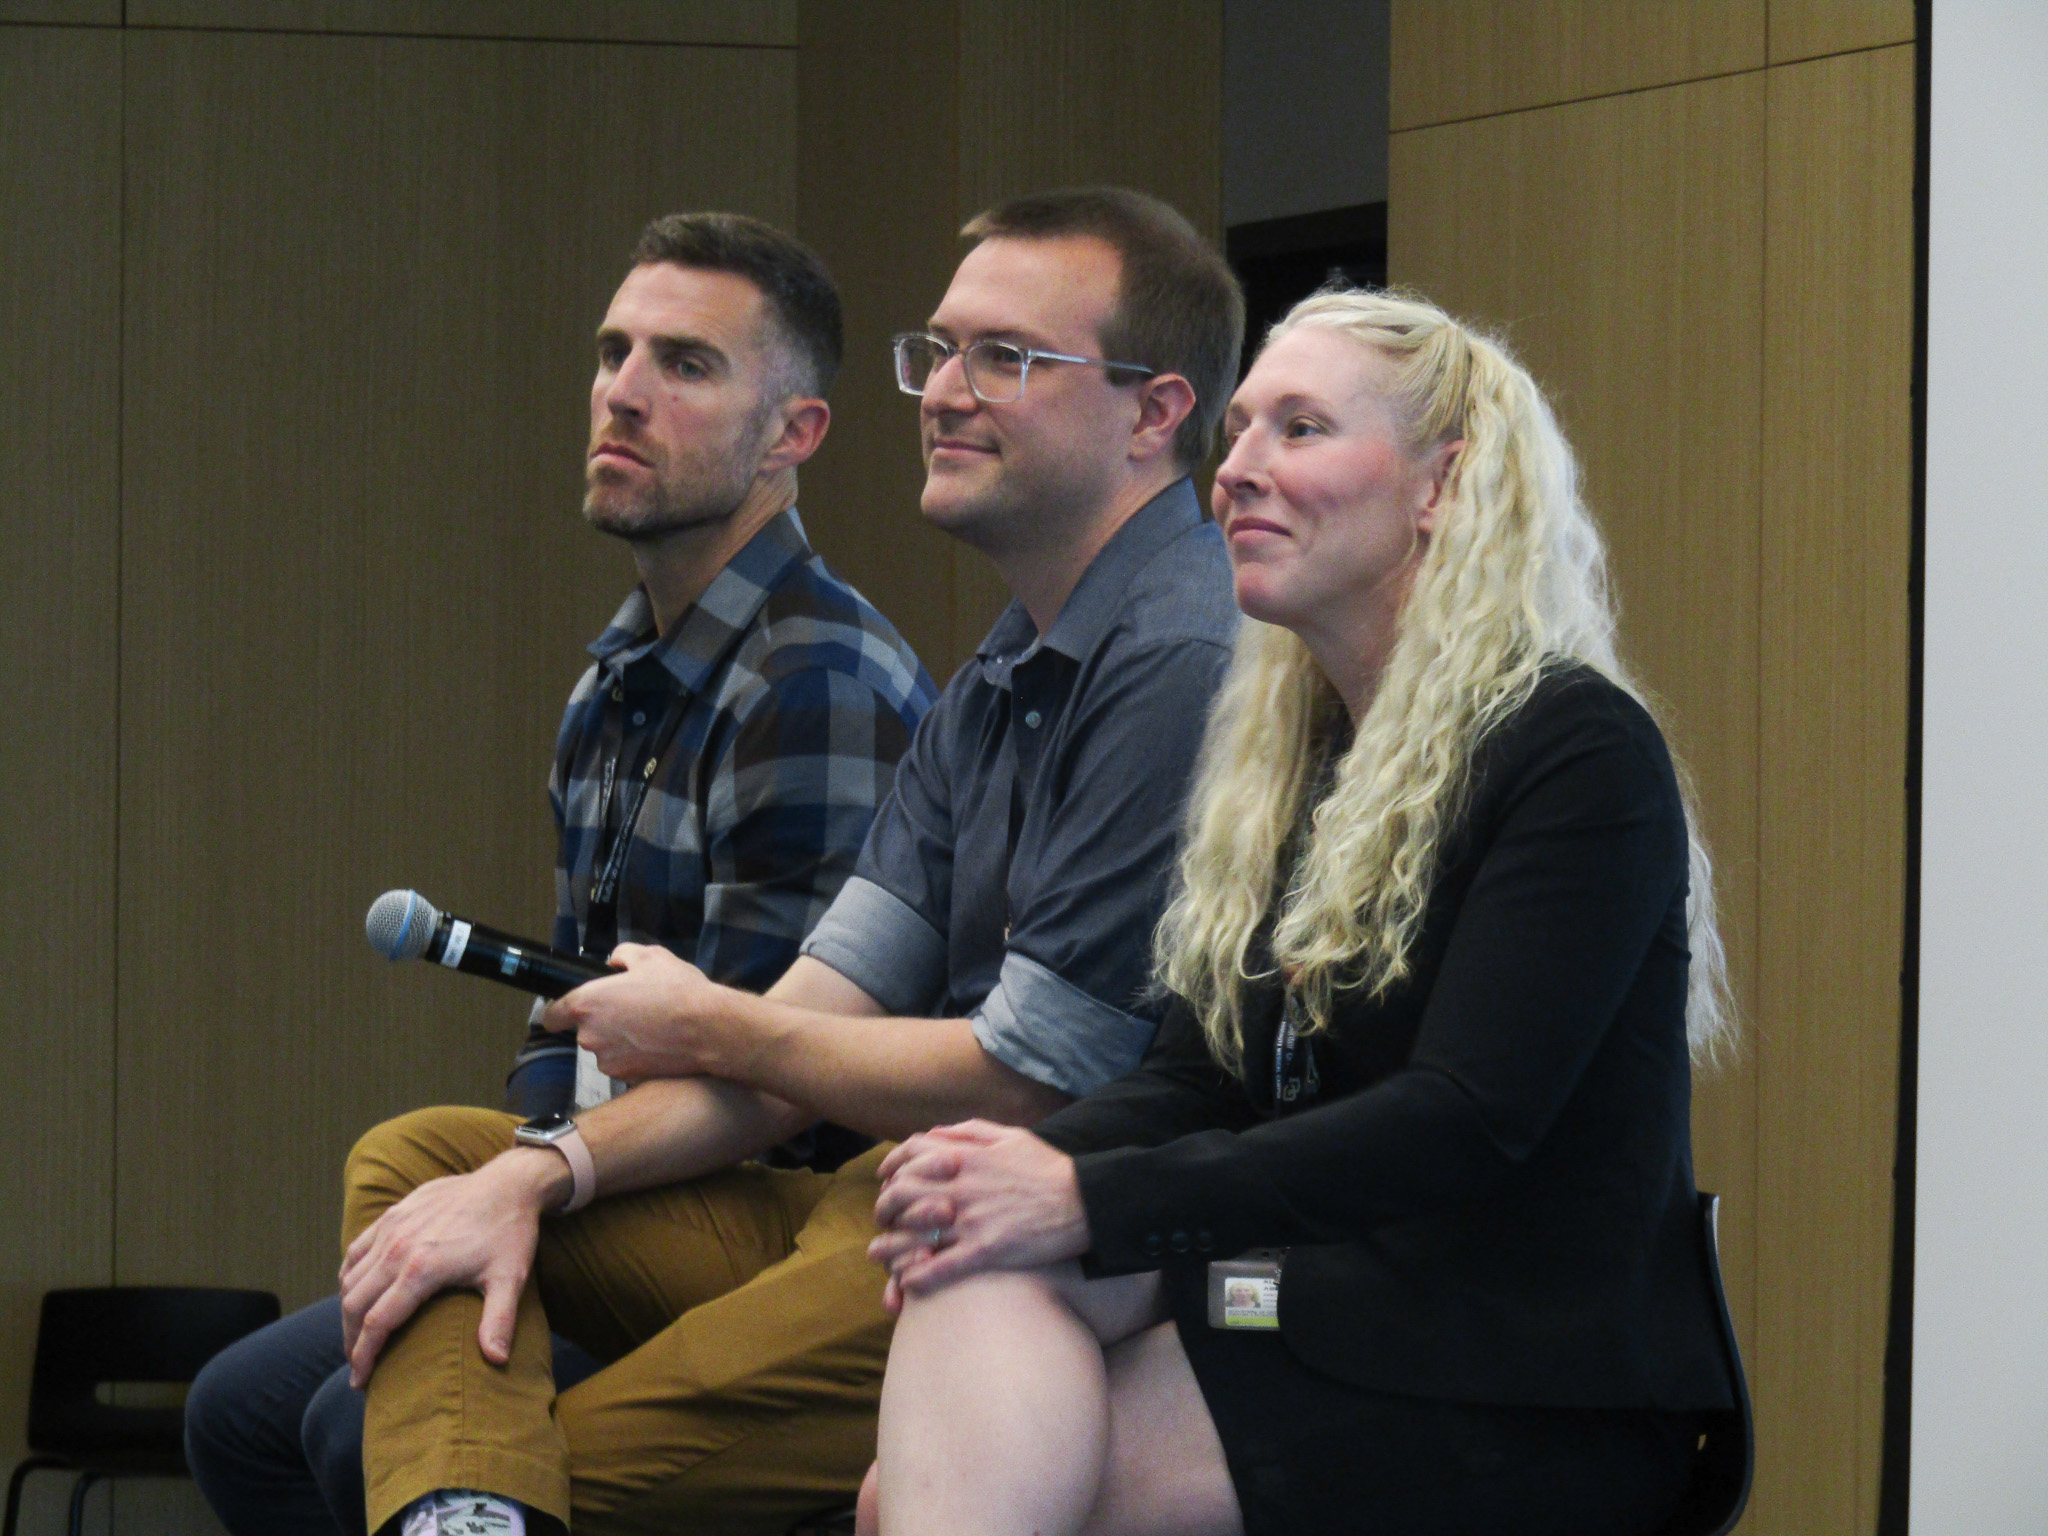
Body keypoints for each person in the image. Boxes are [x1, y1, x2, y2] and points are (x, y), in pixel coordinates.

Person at [328, 188, 1245, 1536]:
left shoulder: (1178, 653)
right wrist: (542, 1172)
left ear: (1154, 414)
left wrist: (704, 1024)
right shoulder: (1003, 661)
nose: (941, 392)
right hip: (884, 1190)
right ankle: (470, 1506)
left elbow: (1033, 1074)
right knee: (426, 1164)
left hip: (1034, 1239)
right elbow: (809, 1023)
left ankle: (475, 1505)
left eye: (1006, 357)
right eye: (935, 351)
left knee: (538, 1463)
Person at [862, 288, 1744, 1536]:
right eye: (1237, 431)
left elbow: (1460, 1124)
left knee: (984, 1479)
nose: (1237, 471)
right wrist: (1010, 1170)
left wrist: (1088, 1202)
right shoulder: (1297, 757)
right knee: (978, 1263)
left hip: (1513, 1377)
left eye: (1300, 429)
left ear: (1441, 487)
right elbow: (1190, 1080)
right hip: (1299, 1303)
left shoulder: (1572, 749)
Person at [183, 211, 937, 1536]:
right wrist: (512, 1181)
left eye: (686, 365)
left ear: (795, 435)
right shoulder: (613, 686)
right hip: (618, 1174)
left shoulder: (815, 680)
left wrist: (525, 1186)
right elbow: (565, 1026)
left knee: (347, 1411)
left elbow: (779, 1086)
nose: (623, 393)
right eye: (612, 352)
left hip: (766, 1225)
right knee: (242, 1409)